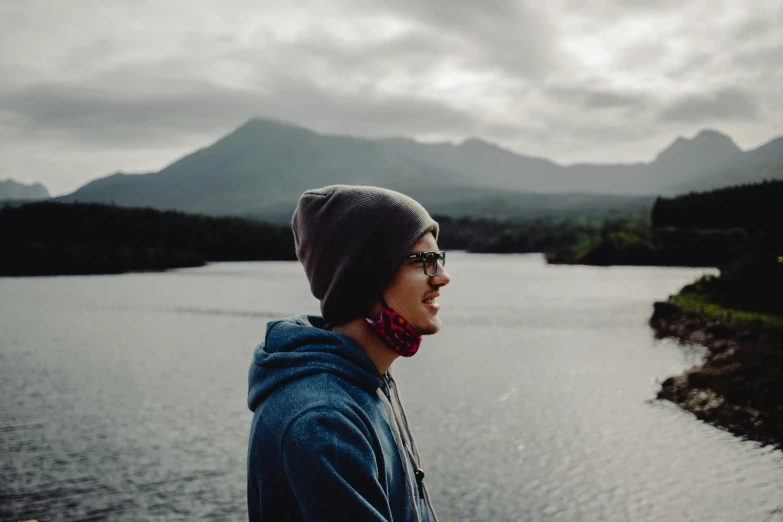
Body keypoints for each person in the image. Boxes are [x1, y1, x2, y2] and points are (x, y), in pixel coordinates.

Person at [247, 185, 451, 522]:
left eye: (439, 259)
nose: (442, 277)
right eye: (423, 261)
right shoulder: (323, 421)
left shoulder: (366, 380)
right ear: (365, 279)